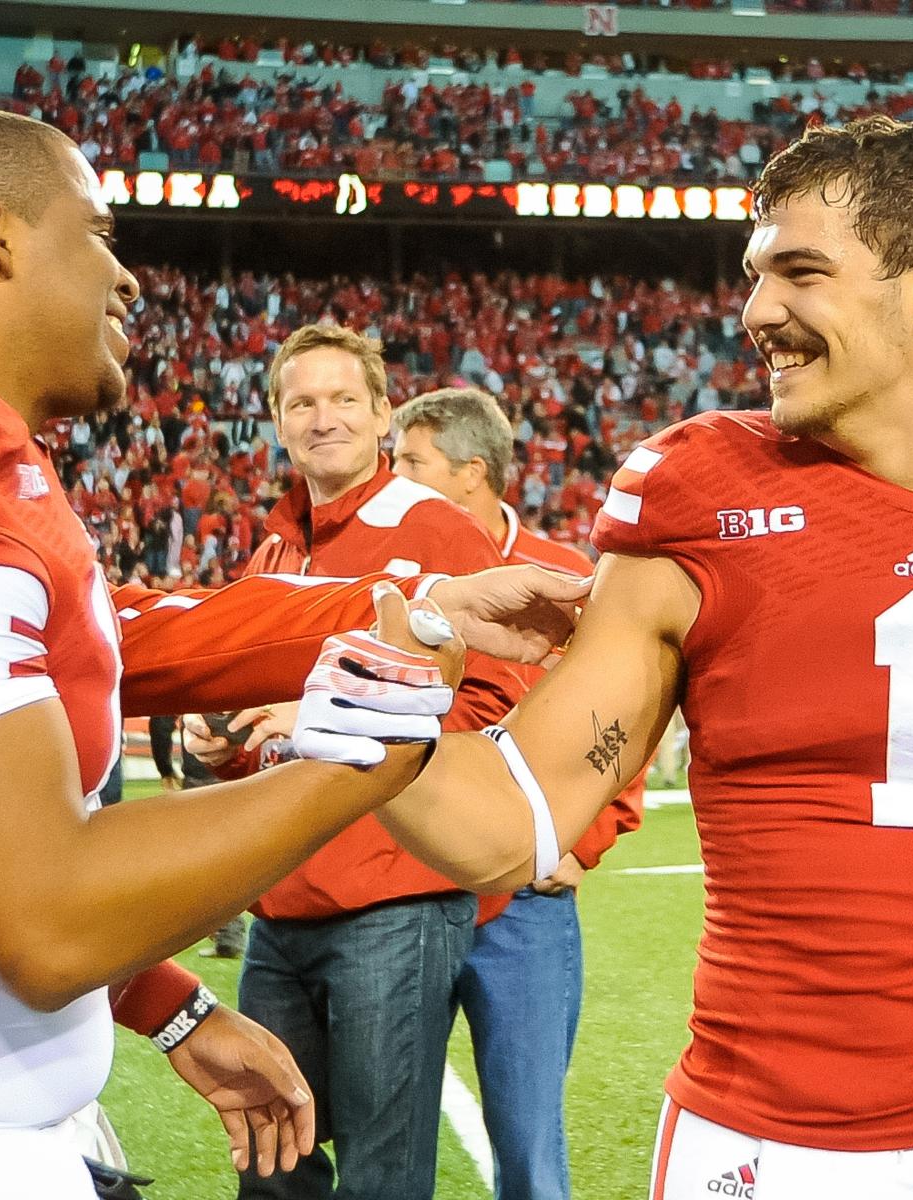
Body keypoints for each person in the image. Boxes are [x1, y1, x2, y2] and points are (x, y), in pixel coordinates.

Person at [322, 115, 913, 1200]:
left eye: (800, 272)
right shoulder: (702, 488)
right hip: (756, 1155)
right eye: (754, 275)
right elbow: (510, 826)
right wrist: (388, 694)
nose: (756, 313)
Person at [0, 106, 587, 1200]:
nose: (127, 281)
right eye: (98, 234)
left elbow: (125, 633)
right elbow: (41, 914)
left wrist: (427, 602)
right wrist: (359, 763)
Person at [183, 328, 527, 1200]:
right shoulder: (272, 552)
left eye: (344, 399)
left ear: (382, 414)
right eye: (302, 402)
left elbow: (495, 708)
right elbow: (270, 741)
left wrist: (323, 714)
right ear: (277, 424)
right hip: (283, 900)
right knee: (269, 1164)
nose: (323, 418)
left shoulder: (436, 530)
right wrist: (224, 742)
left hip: (394, 899)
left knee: (382, 1173)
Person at [392, 386, 643, 1200]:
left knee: (530, 1149)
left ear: (472, 474)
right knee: (387, 1149)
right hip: (402, 899)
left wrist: (583, 840)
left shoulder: (566, 577)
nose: (393, 478)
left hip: (527, 910)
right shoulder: (387, 580)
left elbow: (632, 727)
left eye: (410, 463)